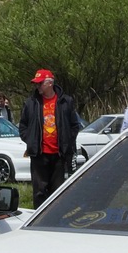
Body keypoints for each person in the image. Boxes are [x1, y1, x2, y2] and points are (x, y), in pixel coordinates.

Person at [18, 68, 82, 208]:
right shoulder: (31, 102)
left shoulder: (65, 101)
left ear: (49, 83)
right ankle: (38, 219)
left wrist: (67, 142)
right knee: (40, 191)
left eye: (40, 83)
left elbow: (74, 125)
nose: (37, 86)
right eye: (36, 83)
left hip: (59, 154)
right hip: (39, 154)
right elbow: (23, 126)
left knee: (57, 190)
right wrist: (31, 141)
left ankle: (54, 219)